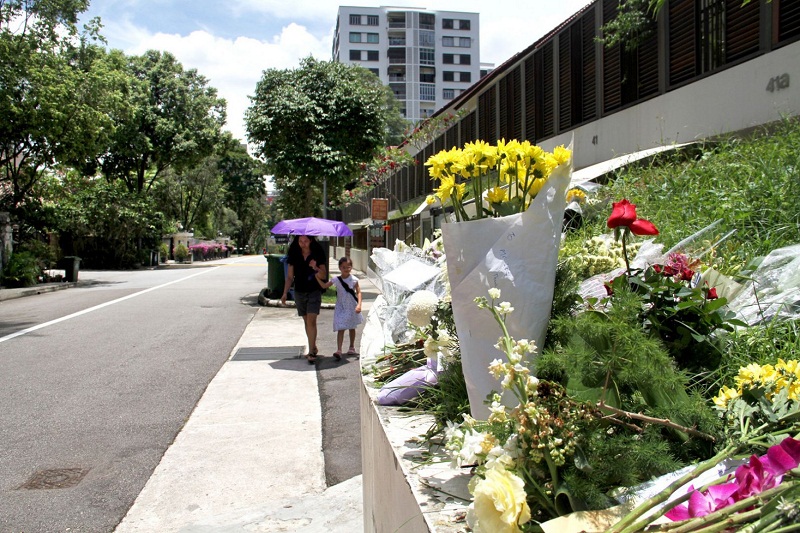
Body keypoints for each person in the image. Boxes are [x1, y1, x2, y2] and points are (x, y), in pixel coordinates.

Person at [281, 235, 327, 364]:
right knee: (307, 321)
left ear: (311, 240)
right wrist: (285, 293)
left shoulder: (317, 254)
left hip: (314, 290)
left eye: (306, 241)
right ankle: (313, 345)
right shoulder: (294, 255)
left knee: (311, 320)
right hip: (299, 292)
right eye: (300, 241)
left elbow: (323, 275)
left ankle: (312, 351)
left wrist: (315, 267)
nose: (303, 243)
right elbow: (290, 277)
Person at [315, 257, 363, 361]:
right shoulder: (336, 279)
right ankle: (339, 350)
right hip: (341, 306)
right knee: (340, 327)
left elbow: (358, 292)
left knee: (352, 327)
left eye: (348, 267)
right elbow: (324, 286)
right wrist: (317, 278)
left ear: (351, 267)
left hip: (351, 306)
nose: (346, 269)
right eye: (344, 267)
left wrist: (359, 305)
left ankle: (352, 347)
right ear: (340, 268)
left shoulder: (354, 280)